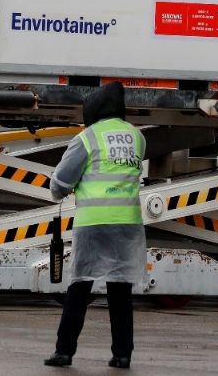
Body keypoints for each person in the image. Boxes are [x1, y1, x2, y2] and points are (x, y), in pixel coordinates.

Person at [44, 81, 146, 370]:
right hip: (128, 223)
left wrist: (59, 192)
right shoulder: (137, 137)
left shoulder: (88, 138)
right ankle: (122, 354)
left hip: (93, 223)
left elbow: (62, 181)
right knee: (120, 289)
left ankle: (64, 351)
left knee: (80, 286)